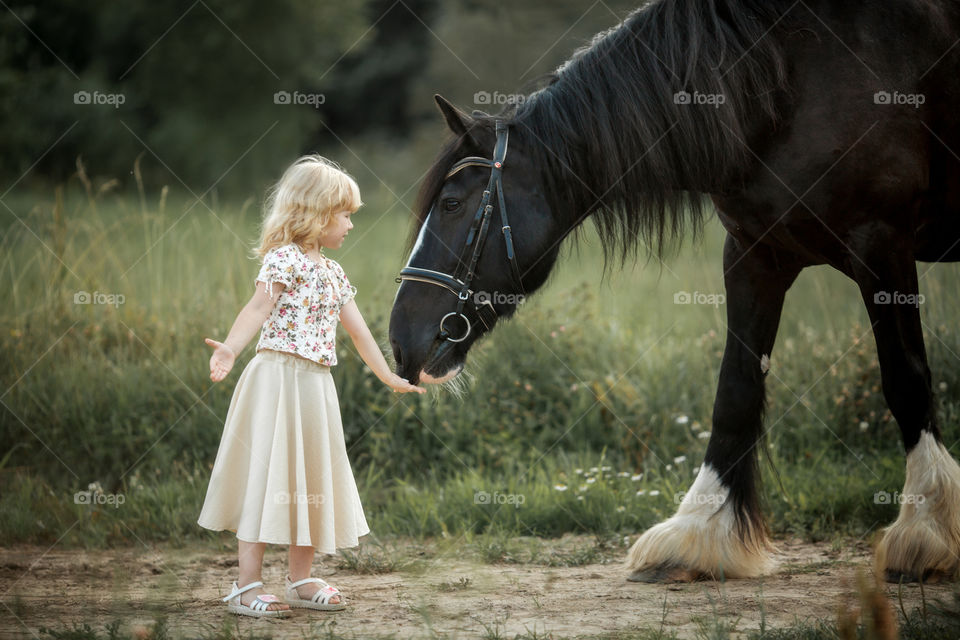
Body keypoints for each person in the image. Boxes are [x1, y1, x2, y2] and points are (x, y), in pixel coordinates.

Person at [198, 156, 424, 618]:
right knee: (266, 477)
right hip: (276, 379)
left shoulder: (335, 274)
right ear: (317, 215)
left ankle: (300, 578)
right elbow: (259, 308)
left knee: (308, 481)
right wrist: (230, 350)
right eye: (345, 215)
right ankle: (246, 586)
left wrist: (388, 377)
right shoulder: (284, 260)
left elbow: (360, 333)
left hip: (315, 386)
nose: (350, 225)